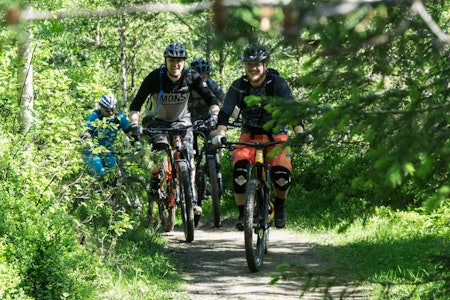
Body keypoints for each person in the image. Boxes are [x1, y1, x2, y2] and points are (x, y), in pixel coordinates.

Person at [211, 44, 305, 230]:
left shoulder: (277, 83)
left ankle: (280, 204)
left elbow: (292, 109)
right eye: (249, 64)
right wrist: (220, 134)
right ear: (245, 66)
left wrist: (300, 133)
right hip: (249, 135)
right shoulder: (239, 86)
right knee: (239, 171)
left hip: (276, 134)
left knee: (281, 175)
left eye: (257, 64)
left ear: (265, 65)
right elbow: (225, 111)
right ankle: (242, 213)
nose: (253, 68)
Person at [129, 42, 220, 215]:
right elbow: (136, 105)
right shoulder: (155, 77)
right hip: (156, 121)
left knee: (189, 156)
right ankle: (155, 182)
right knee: (159, 152)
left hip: (181, 120)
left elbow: (211, 99)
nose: (175, 64)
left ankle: (192, 201)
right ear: (166, 60)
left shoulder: (191, 76)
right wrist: (134, 124)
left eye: (179, 60)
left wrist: (214, 115)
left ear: (184, 62)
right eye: (172, 60)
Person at [81, 94, 140, 178]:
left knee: (111, 174)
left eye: (113, 110)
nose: (111, 113)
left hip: (108, 150)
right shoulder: (94, 117)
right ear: (101, 107)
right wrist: (89, 143)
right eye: (107, 111)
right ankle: (92, 188)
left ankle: (109, 190)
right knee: (99, 171)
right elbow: (86, 134)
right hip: (92, 151)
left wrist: (137, 143)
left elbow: (129, 133)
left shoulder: (119, 118)